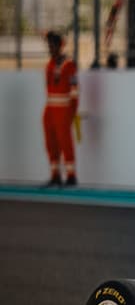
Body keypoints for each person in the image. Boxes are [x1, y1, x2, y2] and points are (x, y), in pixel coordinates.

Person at [42, 30, 79, 187]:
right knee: (51, 143)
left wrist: (71, 112)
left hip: (64, 109)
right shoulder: (49, 64)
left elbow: (75, 91)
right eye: (49, 45)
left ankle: (71, 176)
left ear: (60, 46)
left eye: (53, 45)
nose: (50, 48)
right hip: (50, 109)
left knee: (65, 143)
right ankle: (55, 175)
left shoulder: (69, 64)